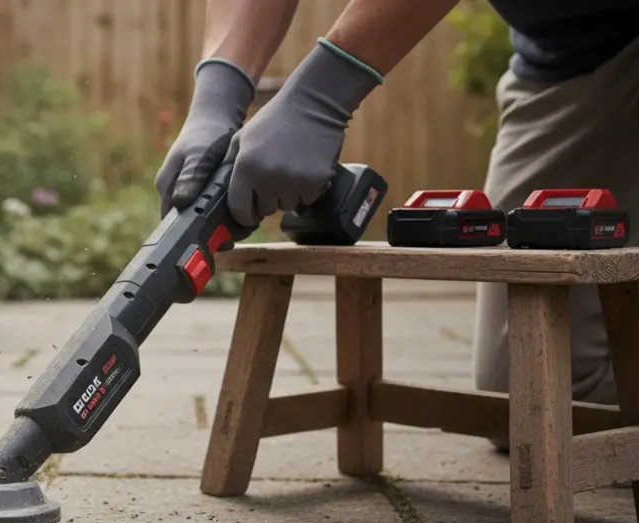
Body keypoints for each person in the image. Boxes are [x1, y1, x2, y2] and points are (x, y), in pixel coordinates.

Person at [156, 0, 639, 448]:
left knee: (544, 399)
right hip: (577, 52)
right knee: (534, 393)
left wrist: (321, 93)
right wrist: (217, 96)